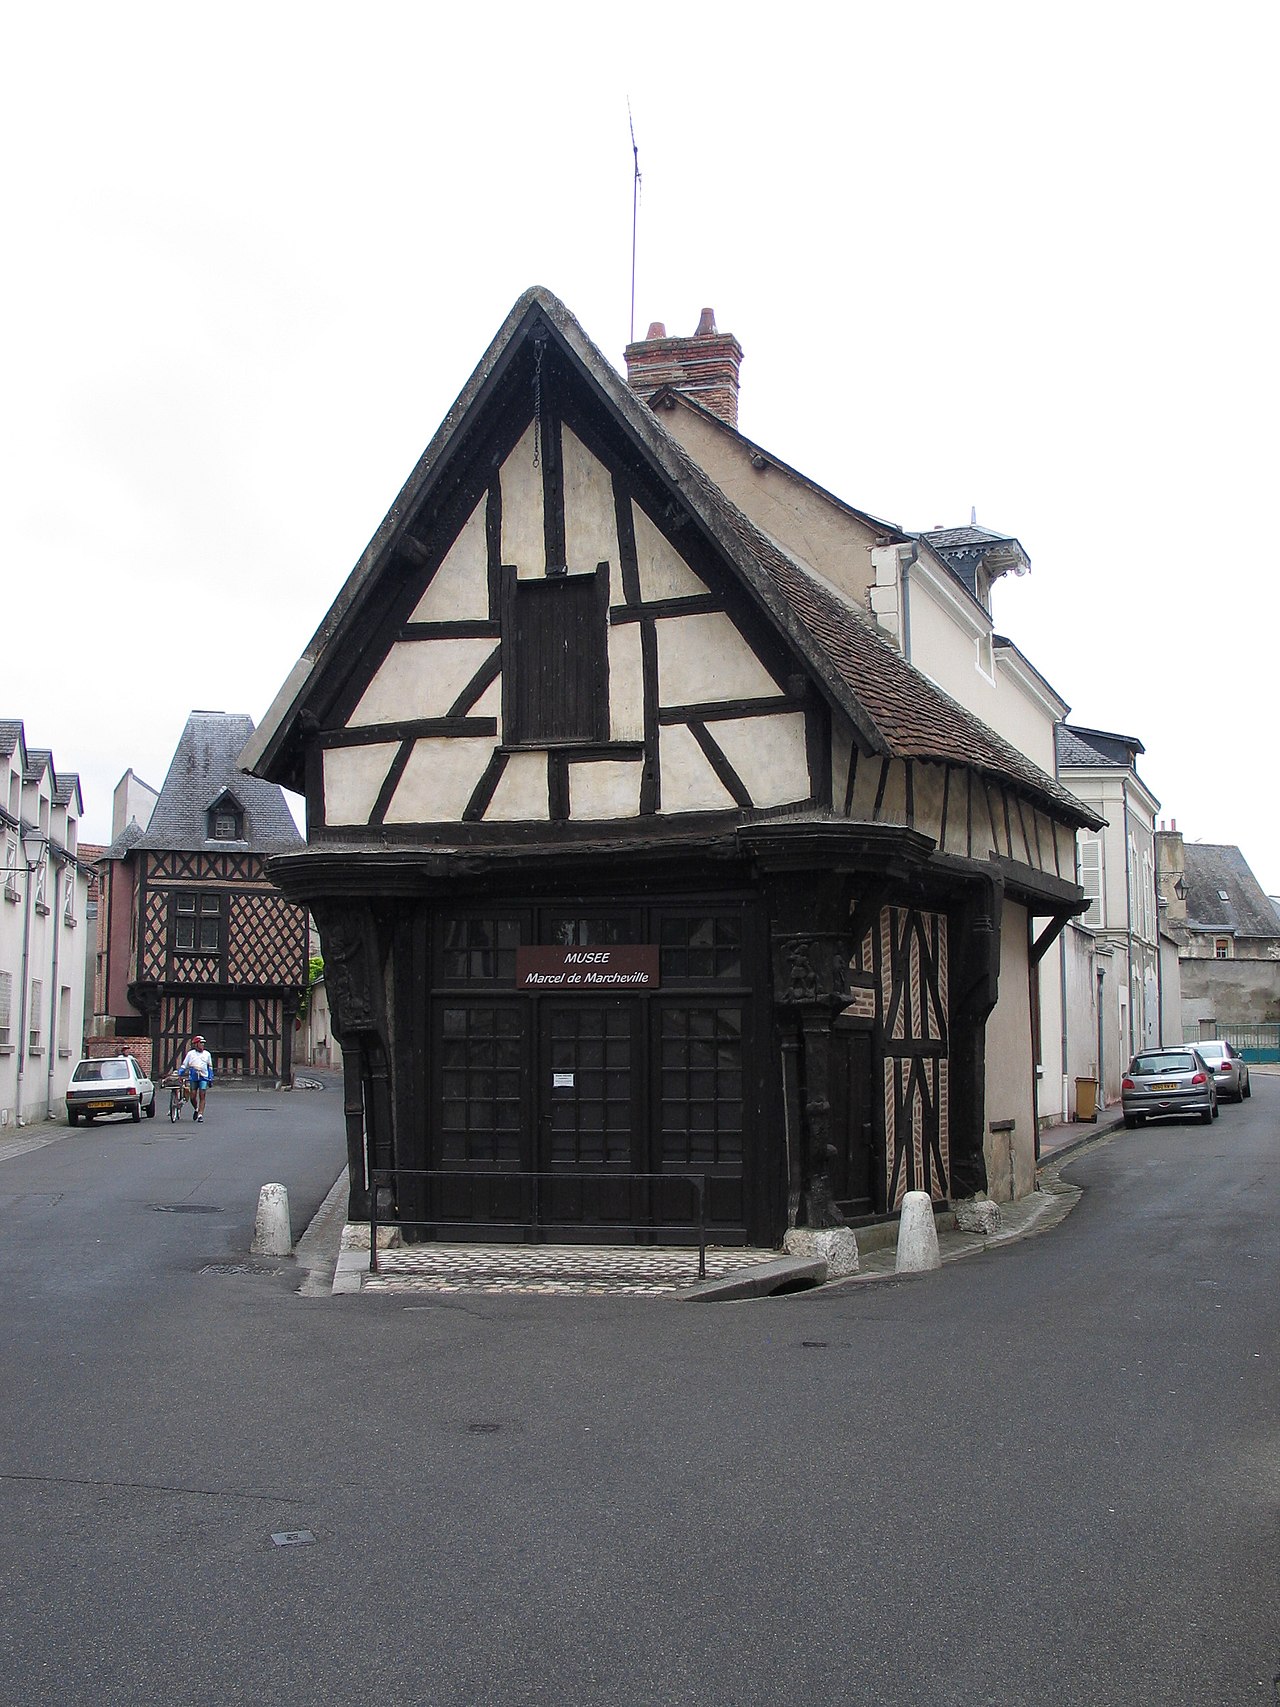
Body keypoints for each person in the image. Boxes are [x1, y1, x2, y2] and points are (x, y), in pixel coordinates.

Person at [178, 1035, 214, 1122]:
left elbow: (210, 1067)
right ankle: (196, 1109)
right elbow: (184, 1065)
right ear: (196, 1044)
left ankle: (200, 1114)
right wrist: (180, 1073)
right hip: (194, 1076)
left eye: (203, 1043)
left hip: (203, 1077)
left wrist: (210, 1078)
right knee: (192, 1096)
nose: (202, 1045)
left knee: (202, 1094)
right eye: (201, 1043)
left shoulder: (207, 1054)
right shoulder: (191, 1054)